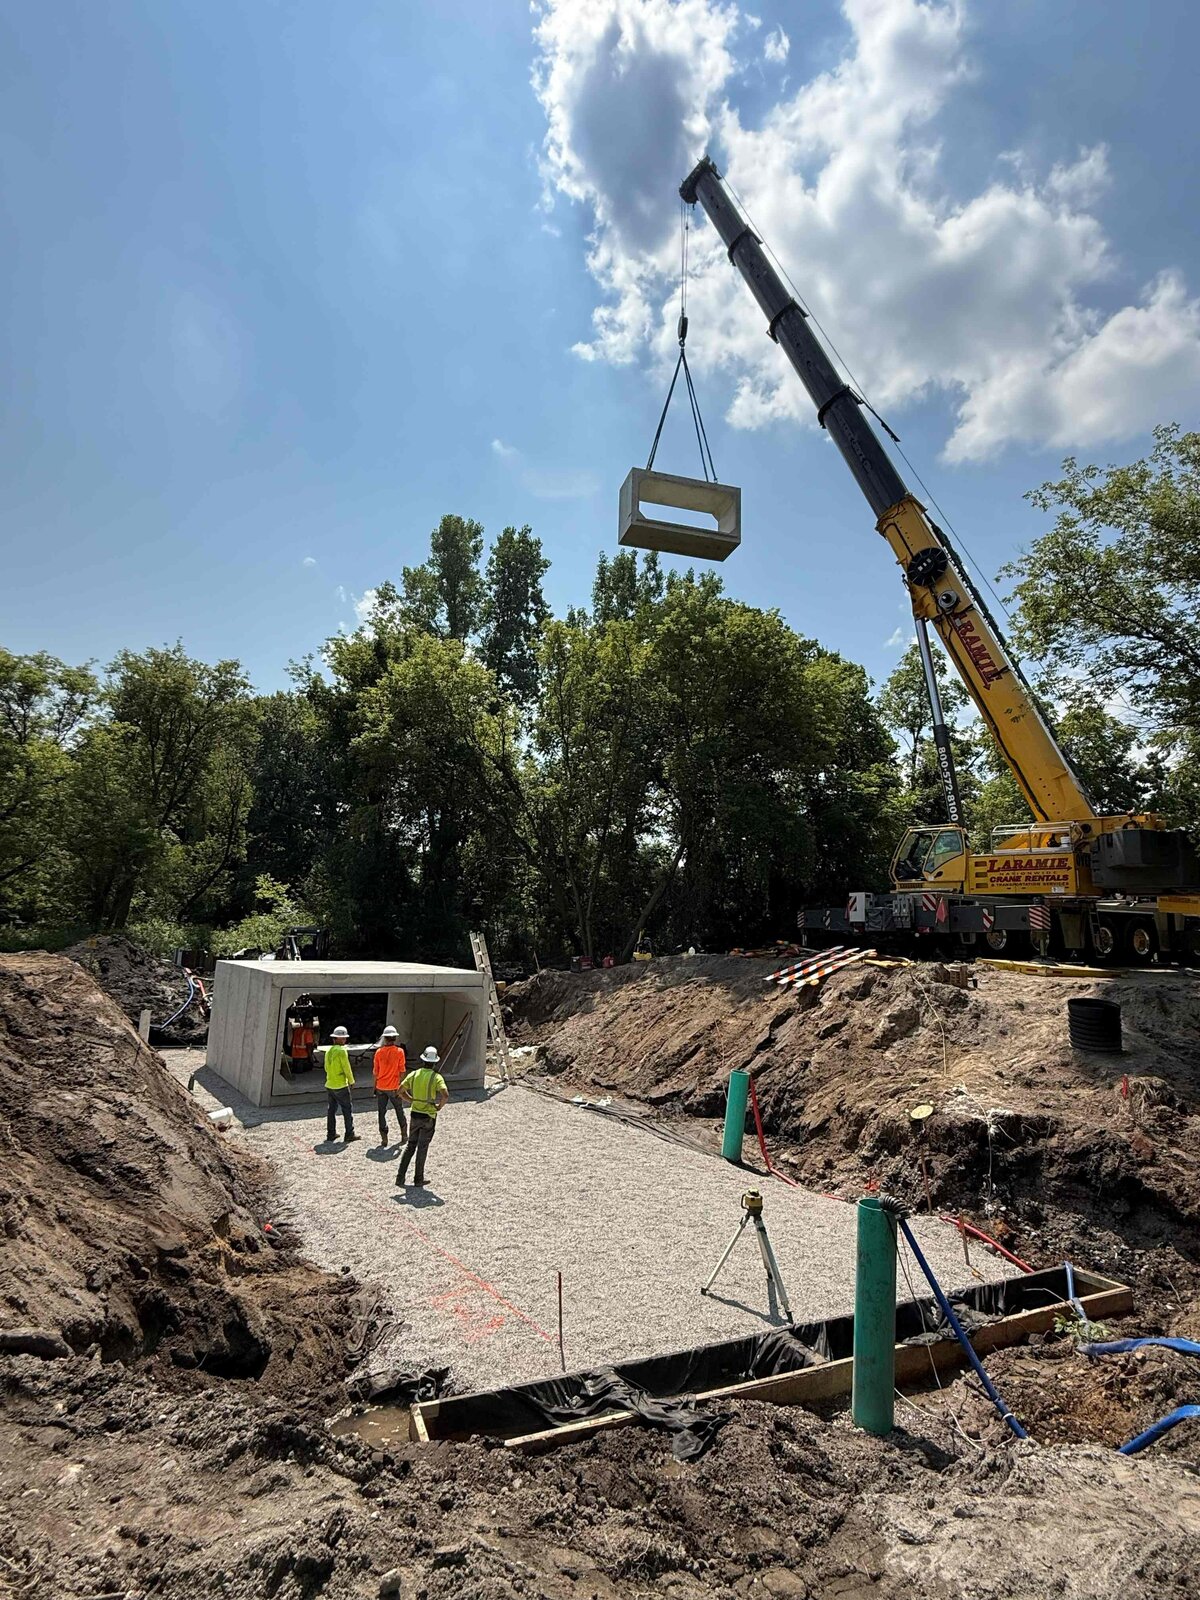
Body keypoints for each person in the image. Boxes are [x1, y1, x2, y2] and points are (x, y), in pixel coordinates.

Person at [395, 1046, 449, 1188]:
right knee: (422, 1148)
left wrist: (411, 1099)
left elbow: (400, 1091)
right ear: (435, 1062)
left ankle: (400, 1178)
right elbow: (445, 1094)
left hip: (415, 1114)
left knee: (410, 1146)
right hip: (428, 1115)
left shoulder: (414, 1074)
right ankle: (418, 1179)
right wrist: (439, 1106)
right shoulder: (436, 1077)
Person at [373, 1025, 408, 1148]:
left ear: (385, 1038)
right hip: (394, 1087)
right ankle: (404, 1135)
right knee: (399, 1111)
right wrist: (401, 1086)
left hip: (381, 1087)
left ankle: (384, 1139)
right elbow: (402, 1071)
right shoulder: (400, 1052)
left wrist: (374, 1087)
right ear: (395, 1038)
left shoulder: (378, 1052)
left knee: (381, 1113)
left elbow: (376, 1072)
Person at [324, 1025, 359, 1144]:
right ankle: (349, 1133)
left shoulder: (328, 1051)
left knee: (331, 1110)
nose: (344, 1040)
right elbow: (346, 1068)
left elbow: (326, 1067)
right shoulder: (342, 1051)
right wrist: (351, 1081)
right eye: (343, 1038)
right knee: (347, 1110)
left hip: (330, 1084)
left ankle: (331, 1133)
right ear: (337, 1039)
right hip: (340, 1085)